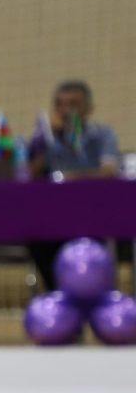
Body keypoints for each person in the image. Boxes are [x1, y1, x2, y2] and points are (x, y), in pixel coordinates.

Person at [27, 81, 123, 290]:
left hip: (94, 215)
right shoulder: (46, 138)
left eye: (73, 105)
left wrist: (73, 177)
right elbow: (30, 176)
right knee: (35, 234)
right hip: (54, 216)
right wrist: (42, 144)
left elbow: (109, 172)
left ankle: (94, 293)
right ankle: (58, 293)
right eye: (60, 104)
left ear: (88, 109)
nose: (65, 111)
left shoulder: (103, 135)